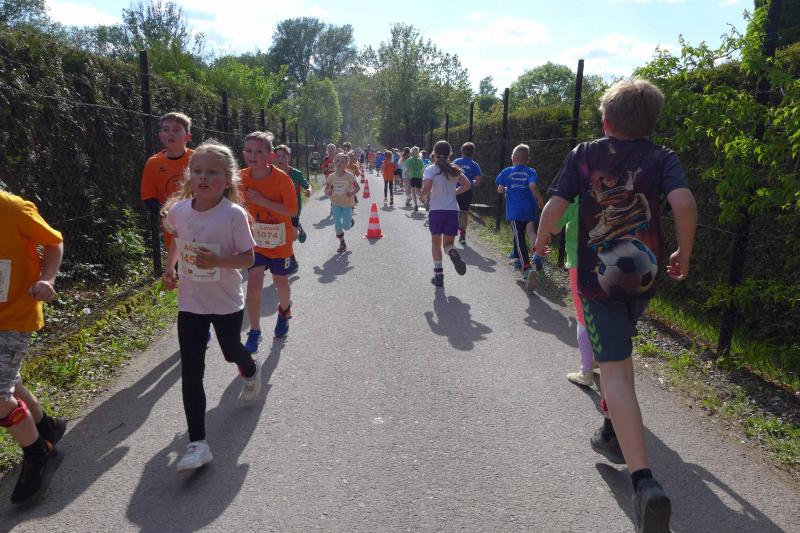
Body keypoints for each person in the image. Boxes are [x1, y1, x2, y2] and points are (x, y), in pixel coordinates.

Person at [535, 79, 697, 532]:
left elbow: (555, 206)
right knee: (617, 355)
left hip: (598, 280)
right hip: (644, 276)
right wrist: (684, 252)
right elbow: (683, 202)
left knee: (617, 372)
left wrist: (542, 240)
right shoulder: (661, 158)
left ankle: (645, 484)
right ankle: (611, 431)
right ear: (651, 123)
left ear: (605, 120)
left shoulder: (584, 154)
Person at [161, 140, 261, 473]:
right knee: (192, 372)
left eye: (212, 173)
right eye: (198, 171)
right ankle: (197, 443)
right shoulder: (179, 210)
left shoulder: (233, 215)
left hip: (226, 301)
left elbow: (248, 258)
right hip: (191, 303)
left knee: (231, 351)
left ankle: (250, 369)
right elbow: (177, 240)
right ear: (189, 175)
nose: (203, 178)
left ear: (228, 179)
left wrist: (218, 261)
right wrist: (169, 268)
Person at [0, 190, 65, 504]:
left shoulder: (12, 208)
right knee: (9, 382)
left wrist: (48, 279)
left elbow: (54, 242)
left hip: (14, 315)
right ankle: (45, 426)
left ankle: (39, 453)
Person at [240, 133, 298, 349]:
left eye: (259, 151)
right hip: (256, 241)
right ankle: (255, 331)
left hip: (280, 242)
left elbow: (292, 210)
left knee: (280, 281)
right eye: (248, 151)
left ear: (270, 156)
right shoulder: (239, 178)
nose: (253, 155)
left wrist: (262, 201)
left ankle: (284, 311)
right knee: (253, 284)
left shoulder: (282, 179)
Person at [554, 199, 596, 387]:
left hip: (580, 264)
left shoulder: (574, 197)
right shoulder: (612, 193)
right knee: (602, 313)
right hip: (609, 265)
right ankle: (598, 359)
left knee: (582, 317)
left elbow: (554, 227)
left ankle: (586, 371)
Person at [419, 140, 471, 287]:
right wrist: (455, 192)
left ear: (434, 154)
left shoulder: (430, 169)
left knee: (436, 243)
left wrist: (422, 196)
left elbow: (427, 186)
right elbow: (467, 185)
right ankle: (453, 252)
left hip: (436, 210)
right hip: (452, 210)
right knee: (448, 245)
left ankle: (439, 275)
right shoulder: (455, 169)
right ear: (450, 154)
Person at [140, 112, 193, 252]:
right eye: (166, 129)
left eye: (176, 130)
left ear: (188, 136)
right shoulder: (153, 163)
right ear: (161, 136)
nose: (170, 133)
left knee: (203, 261)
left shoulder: (198, 159)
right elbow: (148, 198)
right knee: (178, 261)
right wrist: (167, 215)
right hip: (173, 225)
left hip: (200, 221)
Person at [496, 144, 545, 291]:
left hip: (515, 211)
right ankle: (536, 254)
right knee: (531, 231)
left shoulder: (507, 171)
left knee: (519, 237)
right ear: (527, 160)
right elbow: (532, 185)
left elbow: (500, 189)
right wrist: (539, 198)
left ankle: (527, 267)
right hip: (529, 208)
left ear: (512, 158)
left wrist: (507, 188)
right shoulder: (530, 171)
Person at [274, 144, 311, 244]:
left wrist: (309, 190)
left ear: (289, 158)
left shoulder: (296, 174)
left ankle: (299, 229)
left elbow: (307, 185)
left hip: (294, 208)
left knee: (293, 237)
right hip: (279, 207)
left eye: (283, 156)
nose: (280, 159)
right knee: (283, 234)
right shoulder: (273, 174)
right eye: (278, 156)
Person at [325, 152, 360, 253]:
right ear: (334, 162)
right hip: (335, 203)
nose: (339, 163)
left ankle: (349, 219)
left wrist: (351, 193)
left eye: (342, 161)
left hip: (347, 204)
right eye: (337, 161)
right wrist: (328, 192)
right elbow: (326, 189)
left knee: (346, 227)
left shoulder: (349, 176)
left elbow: (357, 188)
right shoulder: (331, 176)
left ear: (346, 164)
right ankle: (342, 243)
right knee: (337, 224)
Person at [453, 142, 483, 245]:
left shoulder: (456, 162)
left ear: (461, 151)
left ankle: (451, 231)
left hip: (455, 190)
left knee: (453, 210)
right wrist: (470, 181)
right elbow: (478, 182)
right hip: (467, 191)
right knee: (464, 212)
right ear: (473, 153)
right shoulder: (475, 165)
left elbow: (450, 175)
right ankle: (462, 235)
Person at [405, 146, 425, 211]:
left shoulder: (409, 160)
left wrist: (407, 174)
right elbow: (423, 169)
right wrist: (422, 176)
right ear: (418, 152)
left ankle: (416, 205)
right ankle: (423, 200)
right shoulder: (420, 160)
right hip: (419, 177)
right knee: (418, 191)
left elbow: (407, 168)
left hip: (412, 177)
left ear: (411, 152)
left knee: (413, 191)